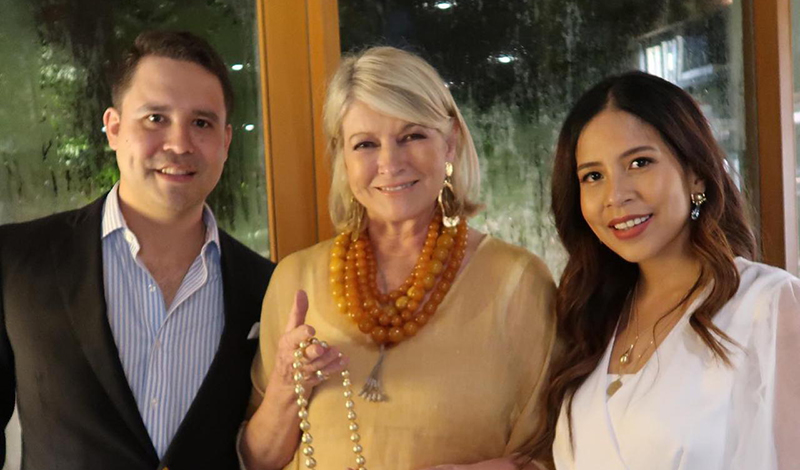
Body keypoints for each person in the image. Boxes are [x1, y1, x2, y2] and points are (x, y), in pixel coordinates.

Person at [239, 46, 557, 470]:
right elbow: (257, 461)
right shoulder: (295, 279)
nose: (390, 163)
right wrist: (284, 386)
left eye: (412, 136)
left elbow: (555, 455)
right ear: (343, 158)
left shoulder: (519, 282)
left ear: (450, 142)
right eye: (365, 144)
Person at [0, 31, 274, 469]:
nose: (179, 144)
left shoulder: (265, 286)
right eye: (155, 118)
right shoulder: (16, 260)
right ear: (113, 128)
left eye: (201, 123)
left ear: (225, 142)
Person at [524, 71, 800, 470]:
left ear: (696, 174)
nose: (616, 196)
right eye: (593, 176)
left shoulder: (770, 305)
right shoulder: (594, 318)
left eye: (639, 163)